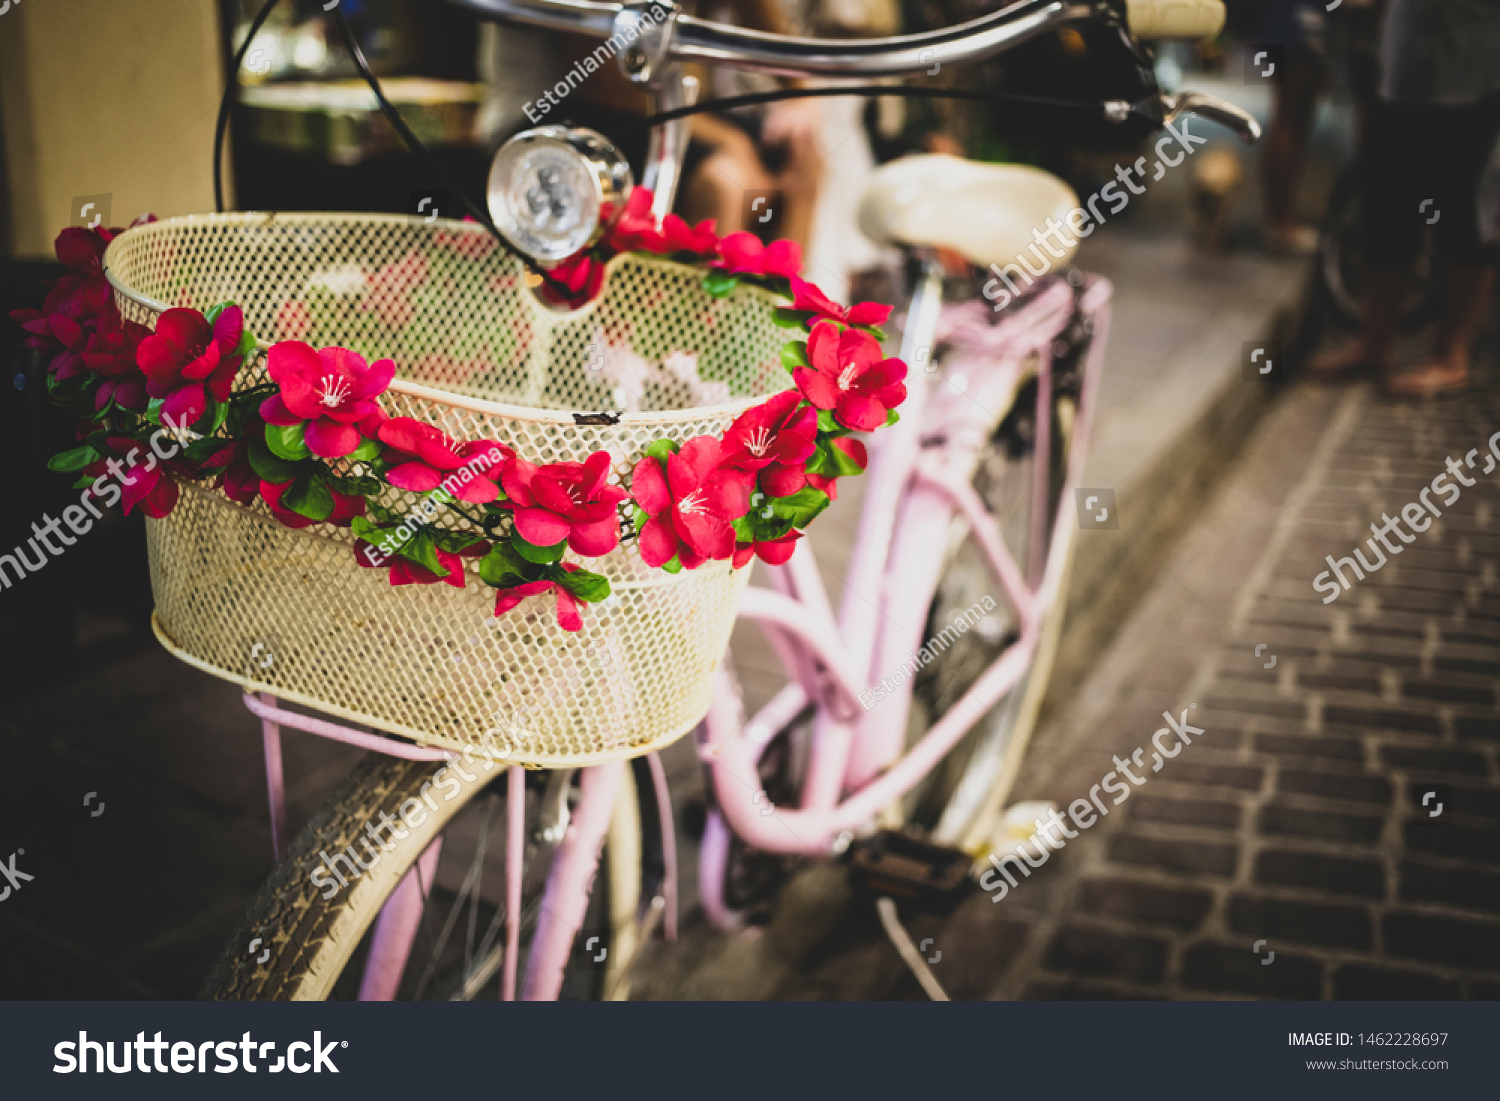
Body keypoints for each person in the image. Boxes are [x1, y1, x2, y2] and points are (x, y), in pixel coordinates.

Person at [1312, 0, 1500, 396]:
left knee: (1464, 219)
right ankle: (1374, 343)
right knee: (1383, 209)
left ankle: (1450, 358)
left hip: (1477, 79)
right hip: (1401, 75)